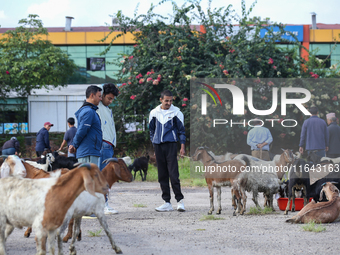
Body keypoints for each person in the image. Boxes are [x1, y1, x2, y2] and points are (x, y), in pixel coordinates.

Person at [149, 90, 186, 212]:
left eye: (170, 101)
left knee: (173, 174)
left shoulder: (176, 113)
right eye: (166, 101)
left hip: (171, 146)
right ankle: (166, 202)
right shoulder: (154, 113)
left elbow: (182, 131)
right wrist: (154, 145)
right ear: (161, 100)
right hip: (158, 146)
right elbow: (151, 131)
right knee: (162, 175)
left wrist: (182, 146)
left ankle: (180, 201)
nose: (169, 103)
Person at [96, 83, 119, 215]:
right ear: (101, 96)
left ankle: (102, 204)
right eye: (108, 98)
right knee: (103, 176)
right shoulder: (98, 106)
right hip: (104, 144)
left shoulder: (107, 109)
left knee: (105, 175)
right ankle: (103, 205)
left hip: (108, 145)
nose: (110, 101)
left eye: (112, 99)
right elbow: (95, 89)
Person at [69, 85, 102, 165]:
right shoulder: (89, 111)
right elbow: (82, 130)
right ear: (92, 95)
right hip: (88, 153)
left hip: (89, 152)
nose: (101, 99)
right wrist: (74, 145)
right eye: (99, 96)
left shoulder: (89, 111)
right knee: (91, 177)